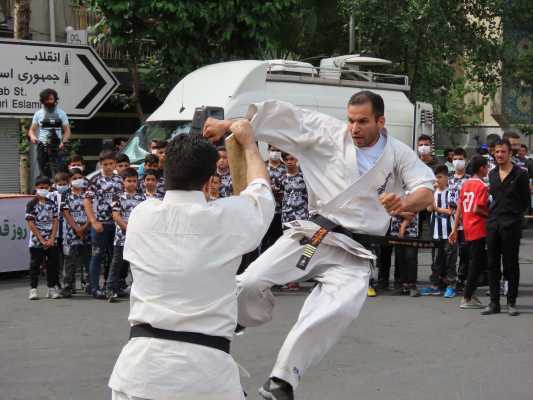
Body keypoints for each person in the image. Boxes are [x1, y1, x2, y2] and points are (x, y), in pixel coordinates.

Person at [204, 91, 435, 399]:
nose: (354, 128)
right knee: (250, 280)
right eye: (351, 120)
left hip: (357, 251)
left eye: (363, 121)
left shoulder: (398, 153)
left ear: (381, 121)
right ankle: (239, 319)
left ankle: (282, 381)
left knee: (335, 310)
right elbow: (280, 119)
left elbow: (426, 190)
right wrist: (227, 124)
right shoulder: (328, 133)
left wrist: (404, 201)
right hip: (316, 236)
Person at [108, 125, 275, 400]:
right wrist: (248, 145)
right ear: (210, 182)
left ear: (164, 171)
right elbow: (260, 193)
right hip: (205, 376)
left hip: (138, 373)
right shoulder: (226, 218)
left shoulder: (141, 215)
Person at [482, 138, 530, 316]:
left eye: (503, 151)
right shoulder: (492, 174)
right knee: (492, 264)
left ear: (510, 153)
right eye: (497, 152)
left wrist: (516, 217)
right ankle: (494, 303)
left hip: (511, 225)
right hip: (493, 224)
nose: (499, 155)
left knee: (510, 264)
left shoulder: (520, 174)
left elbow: (526, 201)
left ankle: (511, 301)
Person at [450, 155, 489, 309]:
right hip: (479, 227)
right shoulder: (482, 186)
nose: (487, 169)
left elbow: (459, 207)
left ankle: (469, 294)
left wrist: (454, 229)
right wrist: (491, 216)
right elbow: (477, 208)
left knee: (473, 261)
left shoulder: (465, 184)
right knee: (476, 263)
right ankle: (467, 296)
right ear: (481, 168)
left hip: (466, 226)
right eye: (486, 166)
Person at [84, 150, 123, 299]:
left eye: (111, 164)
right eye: (105, 164)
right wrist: (93, 221)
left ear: (115, 164)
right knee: (97, 255)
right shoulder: (94, 180)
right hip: (100, 224)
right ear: (100, 164)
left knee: (115, 257)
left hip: (116, 224)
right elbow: (87, 201)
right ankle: (94, 287)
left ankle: (112, 287)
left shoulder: (120, 180)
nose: (108, 167)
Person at [107, 168, 146, 302]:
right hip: (121, 237)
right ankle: (111, 289)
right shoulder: (117, 197)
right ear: (123, 182)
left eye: (134, 181)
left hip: (138, 237)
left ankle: (139, 289)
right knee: (117, 262)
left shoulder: (142, 198)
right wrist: (128, 228)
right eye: (129, 181)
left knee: (137, 263)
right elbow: (116, 215)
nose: (131, 183)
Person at [420, 165, 457, 297]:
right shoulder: (433, 192)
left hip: (449, 232)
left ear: (447, 178)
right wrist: (431, 196)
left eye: (440, 177)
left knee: (450, 260)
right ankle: (435, 284)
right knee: (436, 260)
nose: (437, 179)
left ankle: (451, 285)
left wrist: (436, 209)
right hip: (436, 231)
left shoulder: (452, 192)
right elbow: (429, 209)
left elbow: (450, 211)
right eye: (436, 177)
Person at [26, 176, 61, 300]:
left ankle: (51, 288)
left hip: (52, 240)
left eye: (46, 188)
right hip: (37, 241)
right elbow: (31, 223)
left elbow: (56, 221)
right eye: (41, 188)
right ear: (36, 188)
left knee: (52, 265)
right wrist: (41, 240)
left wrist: (51, 238)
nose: (43, 190)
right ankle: (33, 289)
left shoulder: (52, 203)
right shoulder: (31, 204)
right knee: (35, 265)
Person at [27, 88, 71, 178]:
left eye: (51, 99)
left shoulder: (61, 113)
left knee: (59, 171)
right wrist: (33, 137)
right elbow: (31, 130)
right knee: (43, 171)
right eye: (47, 99)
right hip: (42, 145)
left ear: (55, 100)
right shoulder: (38, 114)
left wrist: (64, 142)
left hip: (58, 145)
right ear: (43, 100)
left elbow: (67, 131)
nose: (49, 101)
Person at [60, 168, 91, 297]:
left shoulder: (88, 194)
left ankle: (89, 284)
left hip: (87, 231)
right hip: (71, 233)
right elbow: (66, 213)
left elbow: (92, 212)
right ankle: (68, 285)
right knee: (70, 260)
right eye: (74, 178)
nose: (77, 181)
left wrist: (85, 227)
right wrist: (77, 228)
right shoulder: (66, 195)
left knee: (88, 259)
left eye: (79, 178)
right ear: (69, 181)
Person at [447, 148, 470, 290]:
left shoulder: (469, 180)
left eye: (460, 159)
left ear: (465, 160)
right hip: (448, 221)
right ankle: (449, 278)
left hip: (465, 222)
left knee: (464, 252)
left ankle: (462, 278)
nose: (457, 162)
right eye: (455, 159)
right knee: (449, 252)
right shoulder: (448, 179)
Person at [261, 146, 287, 252]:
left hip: (282, 211)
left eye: (278, 150)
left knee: (279, 241)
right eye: (273, 150)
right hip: (265, 210)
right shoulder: (262, 167)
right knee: (264, 241)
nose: (275, 153)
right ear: (268, 151)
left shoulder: (285, 168)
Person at [389, 212, 420, 297]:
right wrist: (403, 213)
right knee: (400, 257)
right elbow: (390, 210)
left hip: (411, 229)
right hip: (396, 229)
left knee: (410, 257)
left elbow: (414, 210)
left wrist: (403, 226)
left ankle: (412, 285)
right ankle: (403, 285)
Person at [280, 153, 308, 225]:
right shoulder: (282, 178)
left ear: (296, 159)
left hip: (303, 215)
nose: (289, 162)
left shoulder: (304, 177)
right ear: (283, 160)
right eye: (286, 160)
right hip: (287, 216)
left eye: (292, 159)